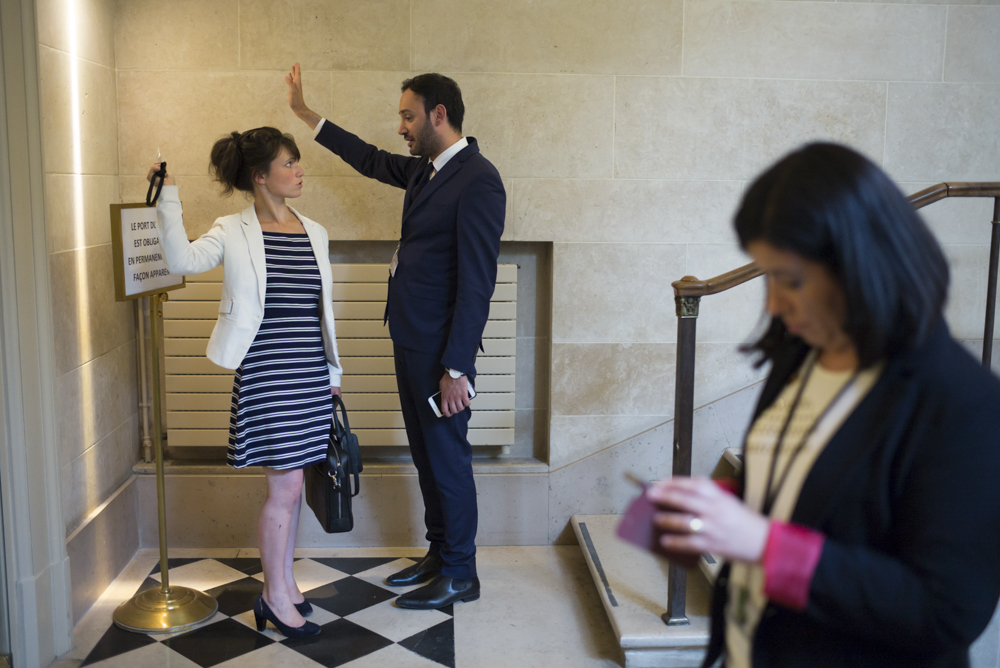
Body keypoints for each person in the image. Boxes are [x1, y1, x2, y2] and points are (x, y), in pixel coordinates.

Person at [647, 143, 1000, 667]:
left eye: (789, 280)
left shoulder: (963, 402)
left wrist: (764, 544)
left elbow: (944, 610)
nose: (771, 303)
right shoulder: (805, 350)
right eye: (766, 275)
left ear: (862, 264)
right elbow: (815, 488)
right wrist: (718, 506)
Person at [285, 64, 505, 610]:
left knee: (448, 458)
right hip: (410, 337)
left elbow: (477, 283)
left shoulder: (478, 178)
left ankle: (461, 571)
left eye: (408, 116)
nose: (401, 127)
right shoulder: (426, 171)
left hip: (441, 351)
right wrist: (308, 115)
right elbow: (367, 158)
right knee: (428, 457)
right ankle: (439, 553)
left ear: (439, 114)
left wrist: (457, 368)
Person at [148, 127, 343, 638]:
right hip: (267, 374)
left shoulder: (314, 231)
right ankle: (275, 597)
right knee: (285, 487)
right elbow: (181, 261)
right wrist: (167, 198)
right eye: (289, 163)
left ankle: (285, 584)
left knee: (295, 485)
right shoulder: (232, 230)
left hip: (309, 375)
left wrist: (334, 375)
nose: (299, 170)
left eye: (298, 161)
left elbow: (323, 315)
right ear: (260, 177)